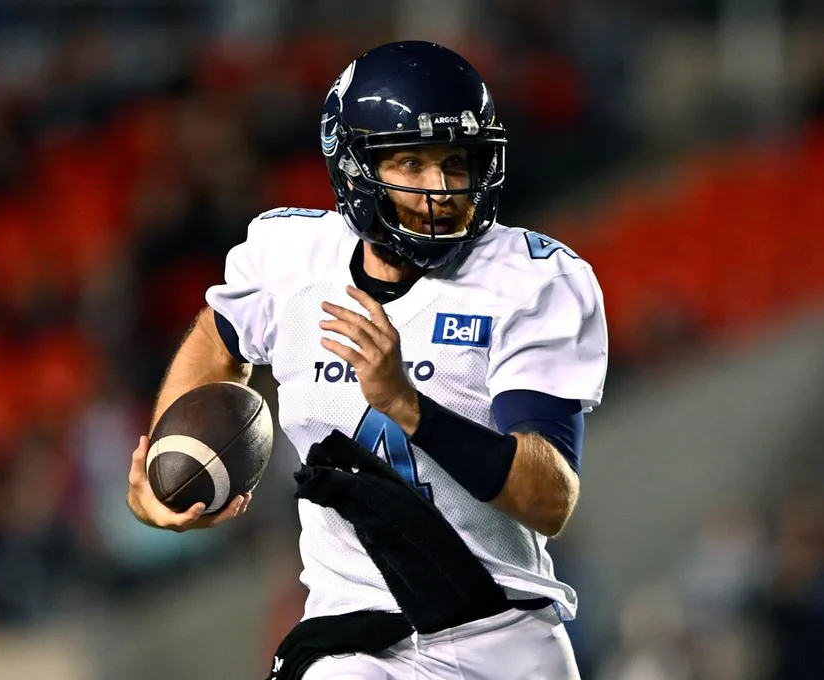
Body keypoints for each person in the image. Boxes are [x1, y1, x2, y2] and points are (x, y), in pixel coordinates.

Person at [126, 40, 608, 679]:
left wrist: (409, 408)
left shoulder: (530, 280)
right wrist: (172, 463)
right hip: (355, 640)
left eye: (456, 162)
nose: (441, 189)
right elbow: (219, 340)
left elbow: (550, 497)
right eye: (411, 162)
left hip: (500, 636)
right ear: (353, 168)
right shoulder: (291, 257)